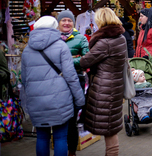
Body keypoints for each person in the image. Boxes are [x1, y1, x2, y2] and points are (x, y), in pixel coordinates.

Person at [21, 16, 85, 156]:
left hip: (37, 101)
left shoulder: (27, 50)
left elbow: (24, 79)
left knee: (42, 137)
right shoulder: (61, 46)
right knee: (60, 137)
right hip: (59, 100)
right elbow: (70, 76)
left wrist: (27, 101)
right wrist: (80, 99)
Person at [80, 8, 127, 156]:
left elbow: (85, 61)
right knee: (111, 128)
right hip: (115, 87)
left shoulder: (105, 42)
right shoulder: (121, 38)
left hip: (104, 89)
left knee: (109, 130)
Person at [57, 10, 89, 156]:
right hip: (57, 82)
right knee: (59, 118)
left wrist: (66, 61)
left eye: (69, 21)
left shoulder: (80, 38)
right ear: (58, 23)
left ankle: (71, 151)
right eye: (63, 20)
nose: (66, 23)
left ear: (73, 23)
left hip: (76, 81)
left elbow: (86, 58)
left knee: (72, 118)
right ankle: (60, 147)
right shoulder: (53, 39)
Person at [134, 7, 152, 105]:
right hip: (143, 62)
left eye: (142, 16)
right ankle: (146, 105)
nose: (140, 18)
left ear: (148, 17)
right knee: (143, 85)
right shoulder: (143, 28)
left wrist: (147, 55)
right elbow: (139, 46)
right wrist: (135, 59)